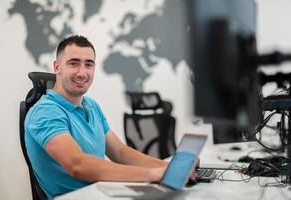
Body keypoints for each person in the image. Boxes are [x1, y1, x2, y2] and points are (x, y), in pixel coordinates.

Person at [25, 35, 193, 199]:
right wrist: (153, 174)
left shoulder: (91, 106)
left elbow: (120, 152)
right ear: (57, 67)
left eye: (88, 64)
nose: (82, 73)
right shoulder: (45, 111)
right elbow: (77, 164)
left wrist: (172, 167)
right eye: (74, 63)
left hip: (104, 193)